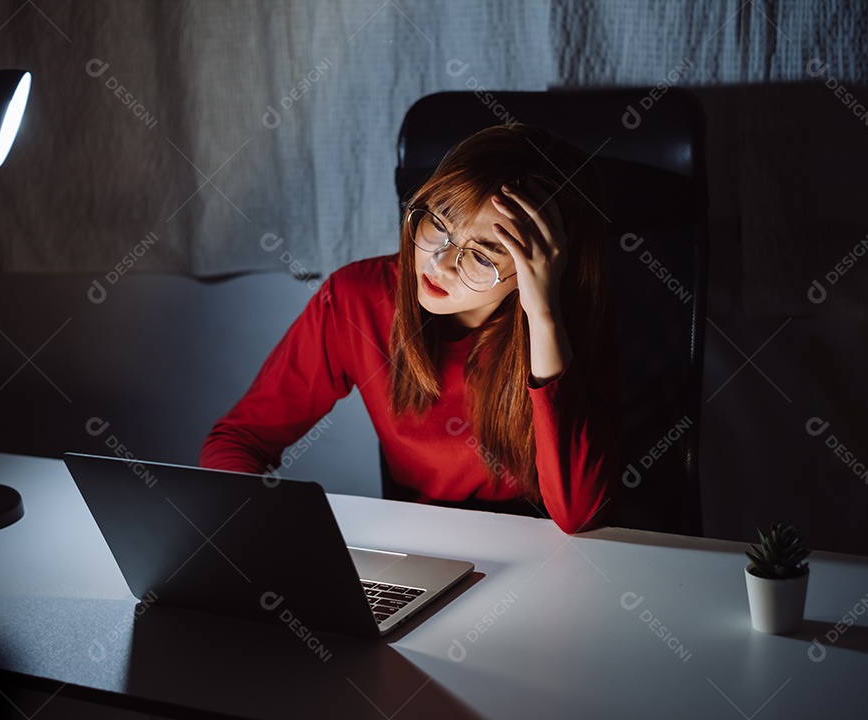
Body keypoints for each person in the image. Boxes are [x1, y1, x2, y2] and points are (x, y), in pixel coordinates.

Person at [201, 123, 620, 534]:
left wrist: (543, 316)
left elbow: (578, 514)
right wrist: (252, 528)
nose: (438, 264)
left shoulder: (565, 325)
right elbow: (241, 439)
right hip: (418, 546)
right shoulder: (355, 298)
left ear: (541, 268)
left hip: (539, 554)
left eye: (482, 256)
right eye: (438, 225)